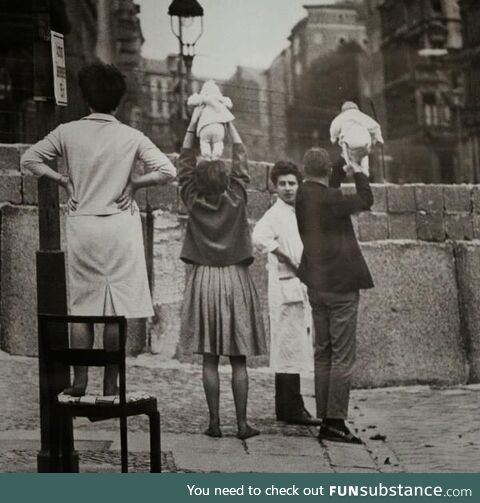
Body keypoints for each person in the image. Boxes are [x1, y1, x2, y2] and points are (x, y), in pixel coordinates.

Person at [21, 63, 176, 397]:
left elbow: (29, 160)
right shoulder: (132, 136)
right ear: (117, 102)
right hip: (120, 226)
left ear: (86, 99)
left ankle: (79, 380)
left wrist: (63, 181)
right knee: (114, 310)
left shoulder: (67, 132)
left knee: (83, 306)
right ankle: (111, 381)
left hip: (84, 224)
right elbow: (167, 170)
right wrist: (135, 183)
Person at [177, 116, 266, 440]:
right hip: (235, 278)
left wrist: (192, 126)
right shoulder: (237, 197)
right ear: (228, 179)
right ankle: (243, 425)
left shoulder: (192, 198)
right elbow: (242, 165)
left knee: (210, 359)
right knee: (238, 359)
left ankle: (214, 423)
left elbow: (184, 167)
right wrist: (230, 126)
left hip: (204, 280)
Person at [295, 148, 374, 444]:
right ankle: (336, 421)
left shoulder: (303, 195)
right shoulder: (332, 200)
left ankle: (324, 416)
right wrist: (359, 171)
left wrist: (342, 161)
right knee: (342, 356)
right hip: (341, 286)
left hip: (316, 284)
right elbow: (366, 199)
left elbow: (330, 187)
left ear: (304, 170)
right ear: (326, 171)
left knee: (323, 353)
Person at [252, 161, 321, 426]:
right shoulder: (275, 213)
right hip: (285, 284)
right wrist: (282, 254)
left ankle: (287, 406)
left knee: (292, 346)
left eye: (292, 183)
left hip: (298, 283)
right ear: (275, 186)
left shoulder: (298, 210)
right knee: (288, 345)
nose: (288, 188)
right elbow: (258, 237)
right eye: (282, 184)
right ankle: (292, 407)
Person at [329, 101, 384, 177]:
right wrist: (379, 139)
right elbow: (375, 126)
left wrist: (333, 138)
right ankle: (365, 170)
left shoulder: (341, 117)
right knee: (364, 155)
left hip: (350, 144)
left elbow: (334, 127)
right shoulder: (362, 116)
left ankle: (349, 164)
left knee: (344, 146)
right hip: (365, 144)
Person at [187, 80, 235, 160]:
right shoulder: (219, 99)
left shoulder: (202, 99)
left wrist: (202, 98)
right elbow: (229, 104)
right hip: (218, 127)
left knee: (204, 142)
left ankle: (206, 155)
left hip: (204, 127)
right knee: (218, 142)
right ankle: (216, 154)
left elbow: (190, 101)